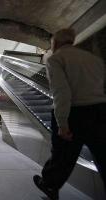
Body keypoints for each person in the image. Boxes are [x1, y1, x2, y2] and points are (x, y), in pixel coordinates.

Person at [33, 28, 106, 200]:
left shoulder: (56, 59)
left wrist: (62, 123)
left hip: (75, 112)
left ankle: (50, 185)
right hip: (101, 111)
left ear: (55, 43)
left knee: (63, 155)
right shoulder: (95, 60)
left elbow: (61, 92)